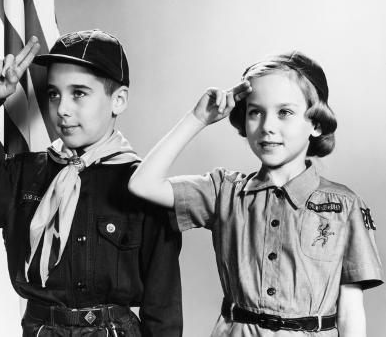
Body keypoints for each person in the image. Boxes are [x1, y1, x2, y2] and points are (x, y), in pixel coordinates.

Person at [0, 29, 182, 337]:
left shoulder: (143, 186)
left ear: (118, 100)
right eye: (54, 94)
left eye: (79, 93)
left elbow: (163, 308)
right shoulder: (24, 176)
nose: (62, 109)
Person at [128, 51, 383, 336]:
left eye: (284, 112)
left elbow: (350, 311)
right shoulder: (224, 191)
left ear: (316, 123)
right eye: (255, 112)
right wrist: (197, 118)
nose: (267, 127)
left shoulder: (344, 206)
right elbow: (143, 184)